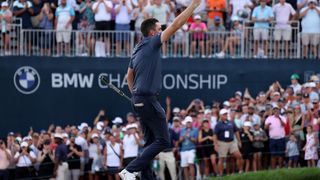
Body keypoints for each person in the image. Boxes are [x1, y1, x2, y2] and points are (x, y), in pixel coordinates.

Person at [122, 0, 201, 178]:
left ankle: (145, 176)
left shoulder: (136, 49)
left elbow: (129, 76)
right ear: (152, 32)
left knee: (150, 142)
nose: (161, 30)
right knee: (164, 140)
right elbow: (175, 25)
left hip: (139, 98)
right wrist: (193, 6)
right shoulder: (152, 42)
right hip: (148, 99)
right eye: (159, 28)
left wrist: (134, 94)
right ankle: (129, 170)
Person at [213, 109, 243, 176]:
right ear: (220, 115)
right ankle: (220, 175)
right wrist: (215, 144)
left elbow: (236, 131)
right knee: (222, 159)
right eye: (224, 114)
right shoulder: (218, 124)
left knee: (239, 156)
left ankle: (241, 171)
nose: (225, 115)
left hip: (232, 142)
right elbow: (215, 135)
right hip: (222, 142)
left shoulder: (231, 122)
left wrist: (239, 141)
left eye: (226, 114)